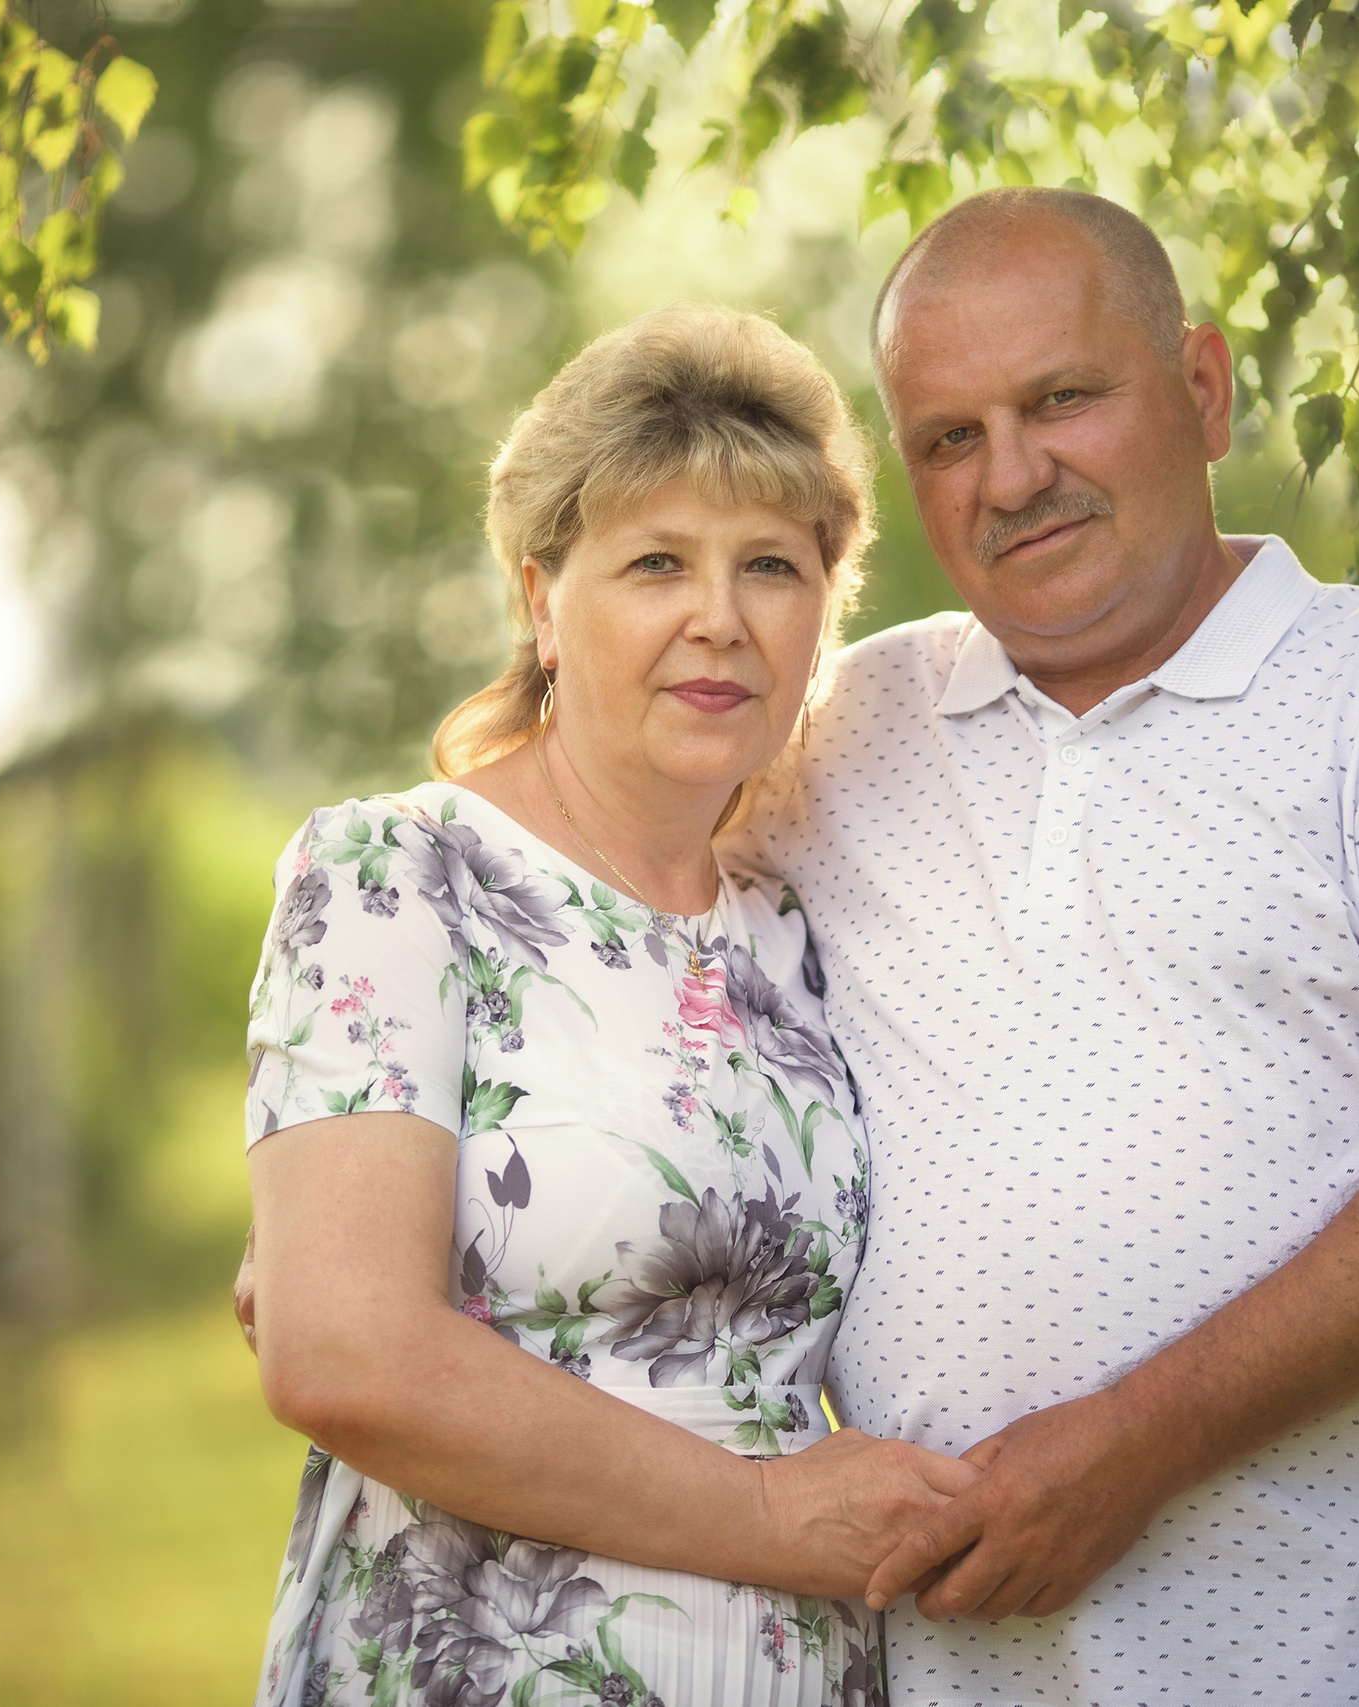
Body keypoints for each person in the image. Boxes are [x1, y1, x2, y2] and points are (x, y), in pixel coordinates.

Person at [732, 187, 1359, 1703]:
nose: (1013, 475)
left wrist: (1127, 1453)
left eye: (1062, 399)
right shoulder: (837, 735)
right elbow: (572, 892)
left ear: (1200, 389)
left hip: (1345, 1652)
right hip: (950, 1669)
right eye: (949, 438)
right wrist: (375, 1151)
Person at [237, 307, 970, 1707]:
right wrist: (766, 1520)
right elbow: (341, 1352)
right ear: (540, 599)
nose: (720, 617)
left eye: (771, 565)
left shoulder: (798, 926)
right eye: (654, 564)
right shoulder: (397, 879)